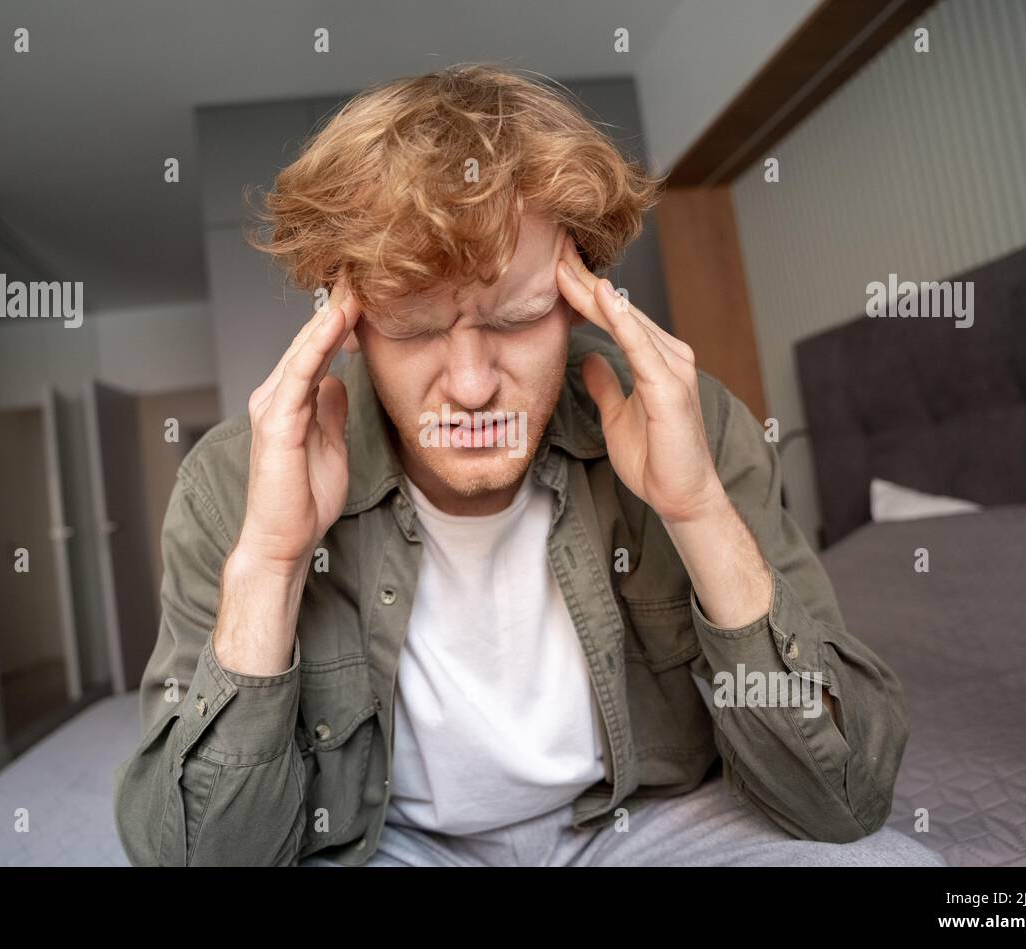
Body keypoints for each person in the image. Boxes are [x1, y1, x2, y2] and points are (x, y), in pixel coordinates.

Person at [113, 64, 943, 867]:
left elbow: (843, 801)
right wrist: (271, 561)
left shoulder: (685, 421)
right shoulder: (234, 482)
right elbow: (207, 861)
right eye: (412, 328)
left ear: (584, 293)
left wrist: (694, 508)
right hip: (389, 846)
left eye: (518, 317)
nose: (473, 387)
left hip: (636, 821)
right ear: (347, 323)